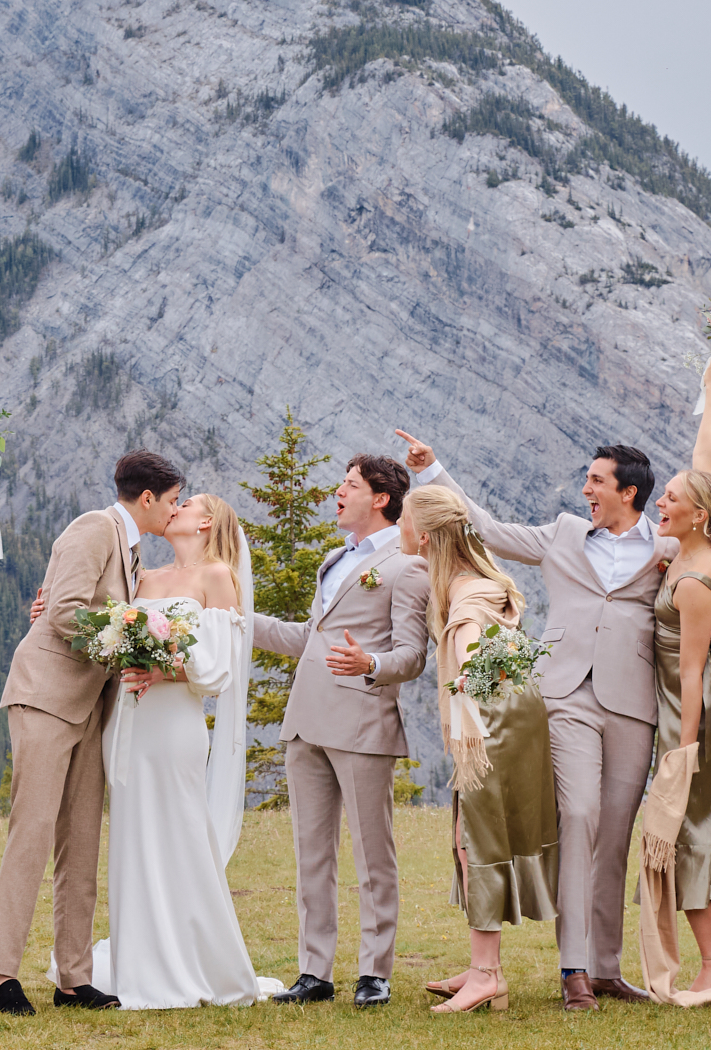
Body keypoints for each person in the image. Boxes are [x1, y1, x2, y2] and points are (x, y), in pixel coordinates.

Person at [398, 431, 668, 1010]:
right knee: (579, 814)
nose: (586, 488)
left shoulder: (665, 548)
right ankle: (572, 970)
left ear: (630, 492)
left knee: (616, 833)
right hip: (565, 694)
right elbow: (489, 529)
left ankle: (605, 970)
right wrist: (433, 469)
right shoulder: (565, 533)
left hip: (633, 702)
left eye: (597, 481)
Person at [0, 449, 182, 1015]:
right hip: (47, 696)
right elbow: (65, 612)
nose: (176, 510)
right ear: (147, 498)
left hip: (92, 704)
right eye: (172, 501)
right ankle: (1, 976)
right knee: (35, 831)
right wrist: (134, 639)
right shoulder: (94, 529)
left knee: (82, 839)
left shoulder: (133, 549)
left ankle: (74, 978)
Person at [79, 493, 279, 1008]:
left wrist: (163, 668)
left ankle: (190, 962)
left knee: (181, 832)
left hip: (174, 725)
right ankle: (138, 960)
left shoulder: (216, 577)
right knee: (132, 833)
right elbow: (110, 625)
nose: (174, 509)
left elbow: (219, 667)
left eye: (185, 503)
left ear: (206, 521)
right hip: (129, 721)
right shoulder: (143, 578)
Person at [250, 453, 431, 1009]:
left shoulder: (407, 566)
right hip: (306, 720)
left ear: (380, 498)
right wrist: (235, 620)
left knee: (373, 853)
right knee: (312, 852)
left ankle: (374, 972)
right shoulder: (335, 560)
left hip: (362, 721)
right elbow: (312, 636)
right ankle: (314, 972)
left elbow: (413, 655)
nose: (338, 492)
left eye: (349, 485)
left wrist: (370, 666)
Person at [412, 484, 555, 1014]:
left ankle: (487, 976)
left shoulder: (467, 593)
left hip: (489, 724)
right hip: (505, 716)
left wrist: (470, 673)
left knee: (478, 840)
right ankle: (479, 966)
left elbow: (470, 639)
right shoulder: (476, 581)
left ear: (423, 536)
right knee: (468, 838)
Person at [637, 355, 711, 1003]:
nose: (663, 500)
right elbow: (704, 456)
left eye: (671, 498)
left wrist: (682, 754)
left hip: (690, 713)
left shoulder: (692, 580)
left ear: (696, 514)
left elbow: (690, 673)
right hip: (681, 706)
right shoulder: (698, 542)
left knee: (684, 826)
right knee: (685, 830)